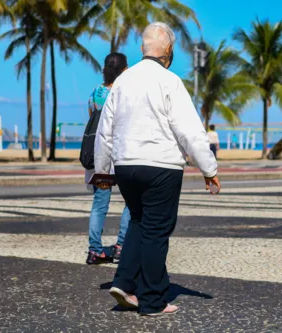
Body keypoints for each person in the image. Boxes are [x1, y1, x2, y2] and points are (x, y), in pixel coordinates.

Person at [95, 22, 220, 316]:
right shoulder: (170, 81)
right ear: (168, 50)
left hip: (126, 166)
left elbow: (105, 129)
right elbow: (189, 130)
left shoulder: (123, 82)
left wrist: (103, 172)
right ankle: (152, 300)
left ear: (143, 49)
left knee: (139, 221)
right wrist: (208, 169)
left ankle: (124, 282)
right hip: (160, 167)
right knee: (156, 231)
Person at [85, 53, 131, 265]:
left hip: (99, 157)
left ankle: (94, 250)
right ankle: (121, 246)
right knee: (131, 201)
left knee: (99, 204)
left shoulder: (95, 93)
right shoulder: (123, 93)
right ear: (123, 71)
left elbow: (92, 120)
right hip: (119, 155)